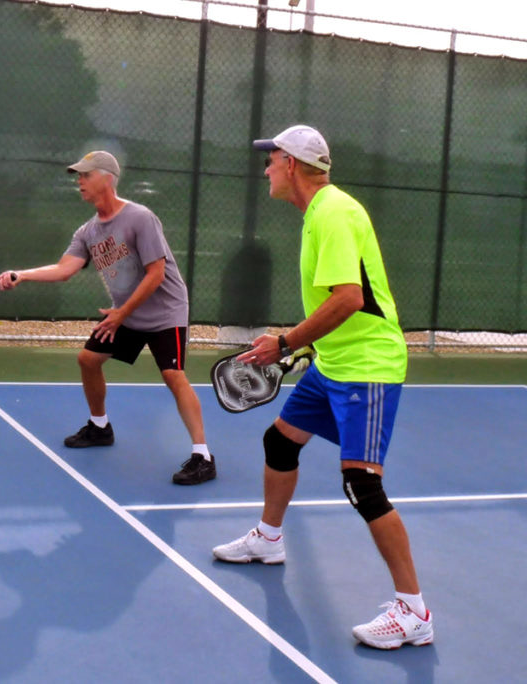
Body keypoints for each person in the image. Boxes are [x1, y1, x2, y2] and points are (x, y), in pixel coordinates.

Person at [211, 125, 433, 649]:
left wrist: (286, 342)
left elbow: (350, 298)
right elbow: (342, 301)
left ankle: (414, 612)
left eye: (271, 160)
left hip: (368, 366)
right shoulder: (319, 214)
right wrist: (308, 347)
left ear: (292, 163)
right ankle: (268, 539)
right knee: (279, 440)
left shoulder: (333, 212)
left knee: (362, 484)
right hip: (333, 360)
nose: (265, 168)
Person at [0, 150, 214, 485]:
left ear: (107, 179)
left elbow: (156, 274)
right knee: (88, 359)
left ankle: (203, 456)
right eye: (77, 176)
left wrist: (121, 314)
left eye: (85, 175)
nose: (79, 182)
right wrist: (21, 274)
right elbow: (64, 269)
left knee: (172, 374)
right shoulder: (88, 232)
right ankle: (100, 427)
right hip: (125, 313)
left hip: (165, 311)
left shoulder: (141, 217)